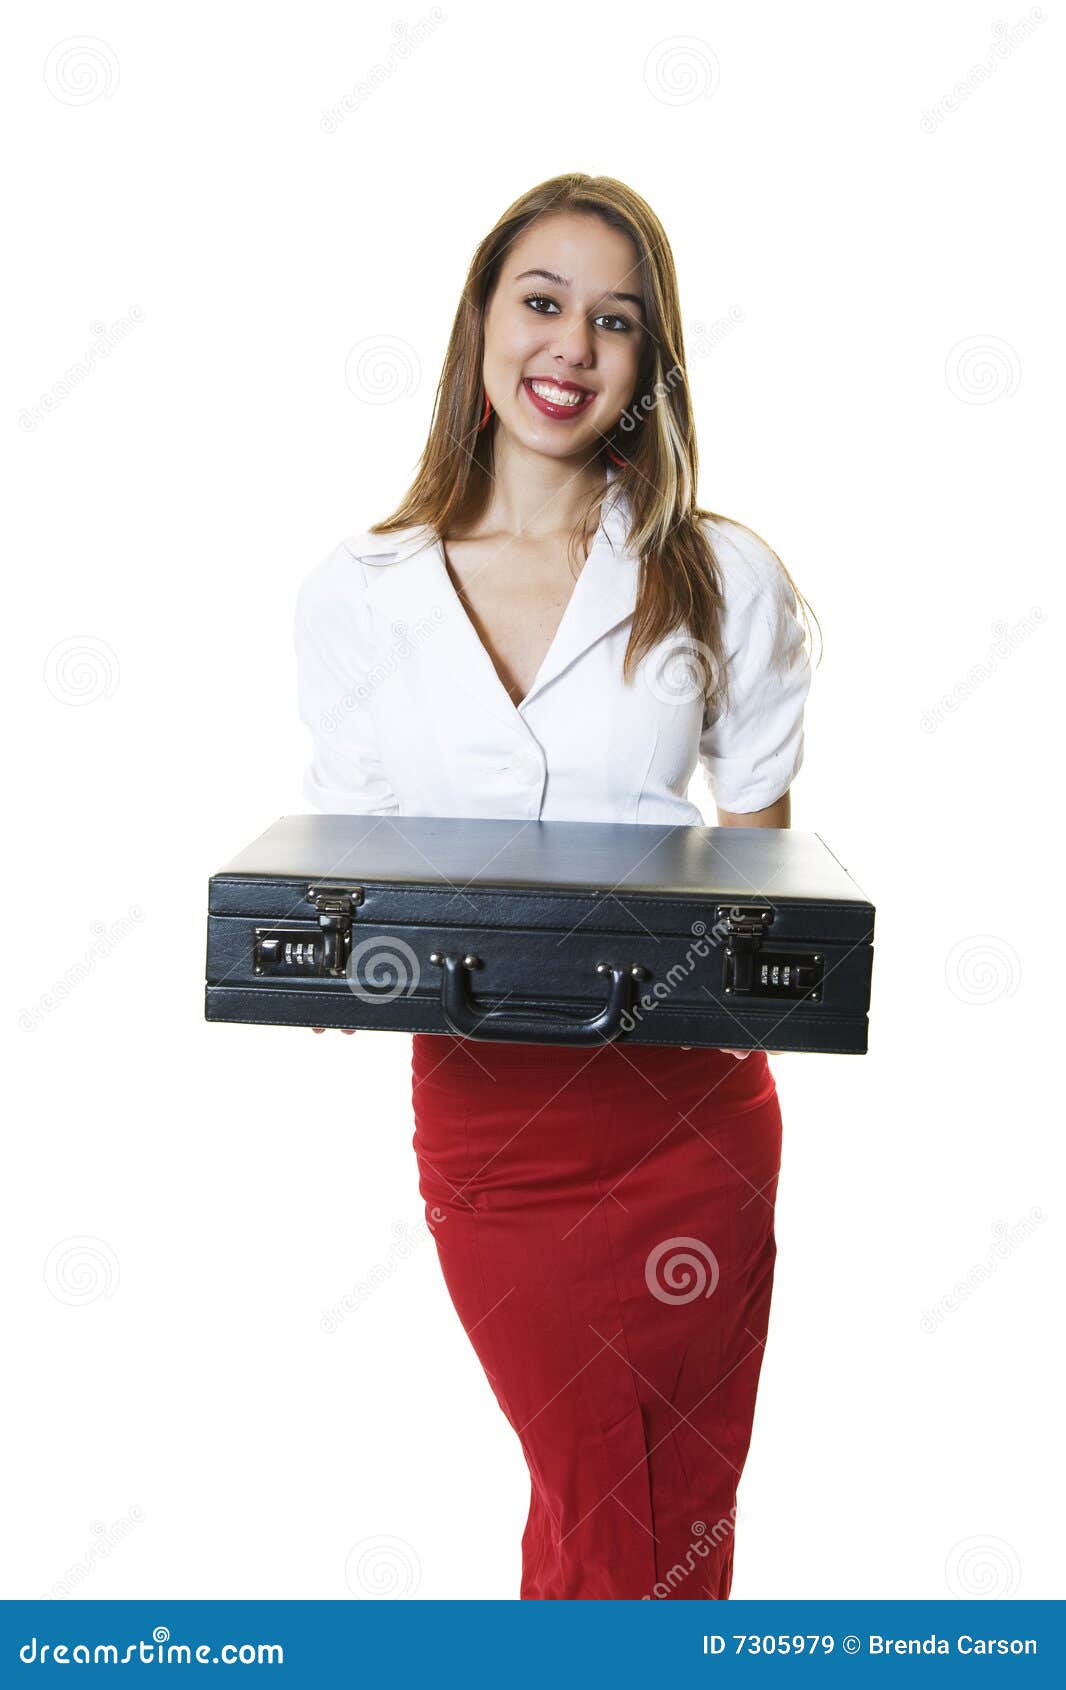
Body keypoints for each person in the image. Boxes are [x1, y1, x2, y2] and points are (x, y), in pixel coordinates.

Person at [294, 173, 818, 1600]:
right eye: (541, 302)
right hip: (491, 1131)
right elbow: (354, 867)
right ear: (480, 326)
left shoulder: (722, 578)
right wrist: (333, 967)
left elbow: (764, 883)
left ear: (650, 367)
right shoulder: (363, 590)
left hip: (686, 1127)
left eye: (614, 321)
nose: (570, 346)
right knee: (596, 1487)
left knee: (655, 1509)